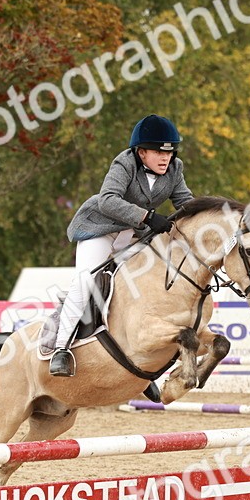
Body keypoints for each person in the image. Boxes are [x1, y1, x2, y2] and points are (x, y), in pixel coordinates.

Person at [50, 114, 194, 385]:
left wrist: (209, 217)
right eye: (158, 153)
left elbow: (185, 202)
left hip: (132, 236)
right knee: (85, 282)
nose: (166, 159)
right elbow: (107, 200)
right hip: (101, 229)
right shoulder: (124, 163)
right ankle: (61, 348)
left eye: (170, 152)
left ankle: (143, 371)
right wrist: (149, 217)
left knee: (142, 285)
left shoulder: (175, 168)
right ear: (141, 153)